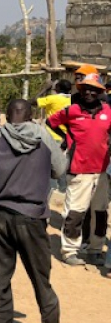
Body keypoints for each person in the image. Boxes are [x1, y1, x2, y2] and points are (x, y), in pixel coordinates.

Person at [0, 99, 68, 323]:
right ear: (30, 116)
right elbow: (59, 170)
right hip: (33, 217)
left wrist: (6, 185)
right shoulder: (44, 137)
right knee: (40, 279)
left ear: (6, 116)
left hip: (0, 217)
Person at [47, 73, 111, 266]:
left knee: (100, 213)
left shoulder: (108, 111)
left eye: (94, 90)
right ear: (80, 91)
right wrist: (68, 139)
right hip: (79, 169)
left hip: (102, 172)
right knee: (75, 212)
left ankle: (95, 249)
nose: (89, 92)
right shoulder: (72, 110)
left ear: (101, 92)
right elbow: (51, 123)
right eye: (85, 89)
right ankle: (69, 251)